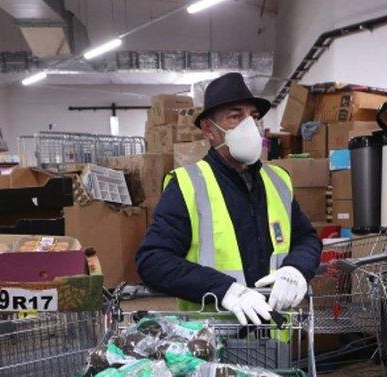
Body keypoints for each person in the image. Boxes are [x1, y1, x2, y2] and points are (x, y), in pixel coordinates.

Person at [136, 72, 322, 325]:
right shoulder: (188, 185)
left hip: (274, 336)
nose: (249, 126)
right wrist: (224, 289)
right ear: (209, 130)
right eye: (235, 116)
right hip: (213, 340)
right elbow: (153, 260)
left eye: (253, 117)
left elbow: (306, 238)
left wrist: (296, 268)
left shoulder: (277, 180)